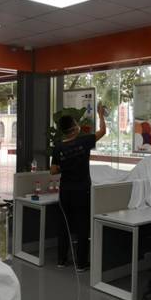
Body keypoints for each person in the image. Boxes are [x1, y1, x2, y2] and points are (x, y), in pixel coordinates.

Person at [51, 104, 107, 272]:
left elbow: (53, 171)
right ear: (74, 128)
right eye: (76, 123)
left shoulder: (58, 147)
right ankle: (81, 264)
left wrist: (65, 166)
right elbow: (103, 131)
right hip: (82, 191)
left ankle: (61, 260)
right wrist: (101, 115)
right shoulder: (84, 141)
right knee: (82, 226)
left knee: (64, 225)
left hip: (65, 191)